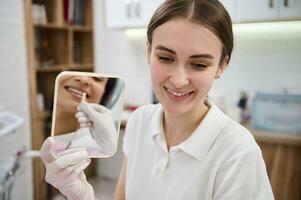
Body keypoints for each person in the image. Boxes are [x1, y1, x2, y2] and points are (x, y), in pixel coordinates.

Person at [40, 0, 274, 199]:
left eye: (199, 64)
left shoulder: (238, 152)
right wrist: (82, 194)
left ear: (222, 65)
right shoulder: (140, 120)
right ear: (148, 52)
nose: (179, 80)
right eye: (165, 57)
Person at [53, 74, 118, 157]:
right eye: (74, 71)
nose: (84, 79)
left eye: (97, 78)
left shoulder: (97, 146)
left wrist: (110, 145)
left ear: (104, 95)